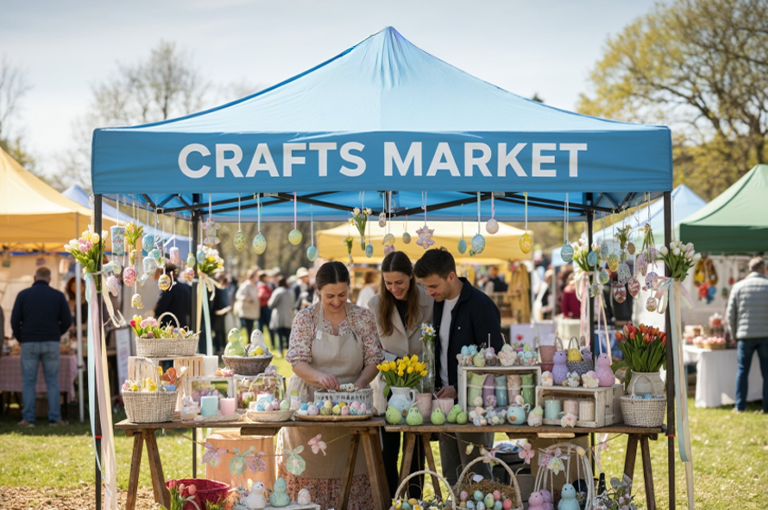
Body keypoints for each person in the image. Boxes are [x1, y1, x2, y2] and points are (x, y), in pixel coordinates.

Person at [282, 261, 384, 509]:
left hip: (354, 407)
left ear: (349, 289)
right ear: (318, 291)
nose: (336, 301)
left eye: (342, 294)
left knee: (354, 465)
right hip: (310, 405)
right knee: (312, 466)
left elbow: (374, 359)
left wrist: (360, 383)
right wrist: (319, 377)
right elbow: (297, 362)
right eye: (330, 296)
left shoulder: (362, 317)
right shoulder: (305, 319)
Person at [413, 248, 502, 487]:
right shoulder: (439, 303)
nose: (429, 293)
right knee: (452, 476)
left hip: (474, 407)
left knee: (477, 474)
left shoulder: (481, 305)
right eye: (426, 287)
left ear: (451, 277)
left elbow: (495, 359)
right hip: (444, 403)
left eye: (433, 286)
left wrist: (458, 389)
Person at [367, 251, 434, 499]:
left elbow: (433, 343)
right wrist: (394, 363)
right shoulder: (375, 305)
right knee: (388, 452)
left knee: (416, 450)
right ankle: (391, 501)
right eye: (388, 283)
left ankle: (414, 500)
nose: (394, 288)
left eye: (400, 282)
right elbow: (372, 348)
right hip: (388, 388)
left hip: (419, 385)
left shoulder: (428, 299)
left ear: (411, 277)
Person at [11, 267, 72, 427]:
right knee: (52, 381)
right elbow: (67, 321)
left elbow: (14, 321)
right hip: (51, 342)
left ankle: (28, 419)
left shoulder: (23, 295)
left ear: (34, 278)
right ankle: (55, 418)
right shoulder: (58, 296)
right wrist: (56, 334)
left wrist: (21, 338)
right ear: (49, 279)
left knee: (28, 382)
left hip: (29, 342)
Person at [727, 257, 768, 412]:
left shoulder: (738, 287)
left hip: (745, 335)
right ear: (764, 269)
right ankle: (766, 407)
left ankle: (740, 406)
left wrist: (733, 335)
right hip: (766, 335)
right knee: (767, 373)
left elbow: (731, 314)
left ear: (750, 270)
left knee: (743, 371)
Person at [153, 264, 192, 328]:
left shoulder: (168, 288)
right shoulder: (185, 287)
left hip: (169, 329)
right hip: (183, 327)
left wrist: (155, 309)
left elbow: (159, 308)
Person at [268, 277, 295, 354]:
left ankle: (281, 351)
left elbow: (271, 304)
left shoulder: (278, 291)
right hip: (289, 315)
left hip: (279, 316)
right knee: (289, 336)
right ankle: (291, 351)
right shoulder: (291, 291)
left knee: (279, 335)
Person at [234, 268, 261, 338]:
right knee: (248, 329)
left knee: (251, 329)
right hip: (246, 311)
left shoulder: (254, 286)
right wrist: (247, 299)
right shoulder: (245, 285)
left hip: (253, 311)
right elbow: (238, 295)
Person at [257, 271, 273, 338]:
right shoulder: (258, 285)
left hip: (267, 307)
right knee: (260, 326)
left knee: (270, 326)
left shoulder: (269, 285)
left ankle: (273, 343)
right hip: (260, 308)